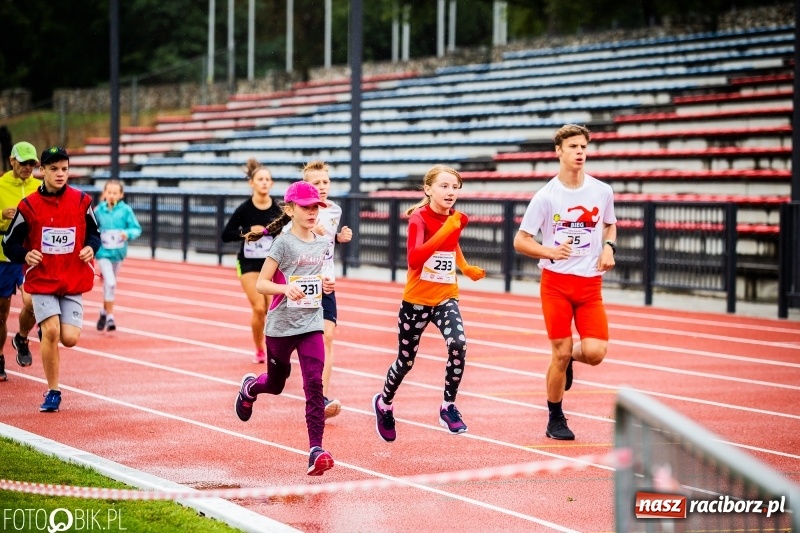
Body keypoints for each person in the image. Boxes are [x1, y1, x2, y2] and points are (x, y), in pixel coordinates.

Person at [513, 124, 617, 441]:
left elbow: (610, 226)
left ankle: (571, 355)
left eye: (583, 146)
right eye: (572, 147)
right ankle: (555, 417)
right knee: (558, 353)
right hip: (556, 283)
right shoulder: (546, 196)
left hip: (589, 286)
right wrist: (549, 251)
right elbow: (521, 240)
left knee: (597, 353)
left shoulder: (602, 191)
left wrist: (610, 247)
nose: (579, 152)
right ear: (559, 151)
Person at [372, 164, 486, 443]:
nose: (450, 192)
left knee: (458, 344)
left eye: (455, 187)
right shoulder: (419, 219)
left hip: (445, 296)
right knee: (406, 360)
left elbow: (452, 244)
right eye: (444, 186)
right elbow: (415, 259)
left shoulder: (458, 219)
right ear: (428, 189)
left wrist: (465, 267)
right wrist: (445, 227)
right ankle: (384, 403)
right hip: (416, 300)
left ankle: (448, 406)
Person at [233, 180, 335, 476]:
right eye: (306, 207)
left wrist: (326, 284)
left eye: (316, 207)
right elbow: (263, 283)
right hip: (280, 325)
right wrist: (286, 287)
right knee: (276, 385)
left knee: (314, 383)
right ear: (290, 210)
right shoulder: (283, 243)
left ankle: (315, 449)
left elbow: (318, 278)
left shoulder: (322, 240)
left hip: (311, 322)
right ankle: (251, 387)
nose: (312, 212)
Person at [2, 146, 101, 412]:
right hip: (43, 279)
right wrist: (26, 254)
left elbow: (95, 233)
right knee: (53, 332)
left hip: (71, 279)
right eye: (54, 169)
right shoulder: (29, 206)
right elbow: (9, 242)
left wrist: (91, 247)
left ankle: (27, 334)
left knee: (69, 338)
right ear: (42, 171)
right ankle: (53, 391)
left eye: (64, 169)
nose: (60, 174)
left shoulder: (82, 201)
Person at [300, 160, 352, 419]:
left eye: (325, 182)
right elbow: (292, 243)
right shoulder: (299, 211)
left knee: (327, 338)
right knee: (303, 342)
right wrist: (311, 230)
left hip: (327, 281)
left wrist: (338, 239)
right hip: (305, 282)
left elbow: (328, 245)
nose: (322, 187)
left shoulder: (334, 210)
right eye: (315, 183)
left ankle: (321, 397)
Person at [220, 159, 283, 363]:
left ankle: (273, 345)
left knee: (269, 309)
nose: (264, 182)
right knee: (258, 307)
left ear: (271, 184)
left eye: (267, 179)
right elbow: (226, 234)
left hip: (272, 263)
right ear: (252, 183)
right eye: (260, 179)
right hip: (248, 263)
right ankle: (259, 349)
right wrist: (247, 233)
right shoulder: (244, 209)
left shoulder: (278, 209)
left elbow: (288, 232)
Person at [0, 141, 41, 381]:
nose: (27, 168)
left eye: (32, 164)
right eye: (23, 163)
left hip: (29, 255)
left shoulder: (39, 187)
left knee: (34, 302)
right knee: (1, 314)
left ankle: (22, 337)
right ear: (12, 161)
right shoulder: (1, 185)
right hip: (3, 256)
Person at [94, 179, 142, 332]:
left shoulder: (126, 210)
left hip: (119, 254)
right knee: (111, 282)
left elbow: (136, 228)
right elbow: (91, 228)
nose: (112, 195)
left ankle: (103, 312)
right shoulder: (98, 211)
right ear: (104, 194)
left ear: (121, 195)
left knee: (110, 284)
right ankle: (110, 317)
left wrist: (126, 234)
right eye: (109, 192)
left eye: (115, 193)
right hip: (103, 253)